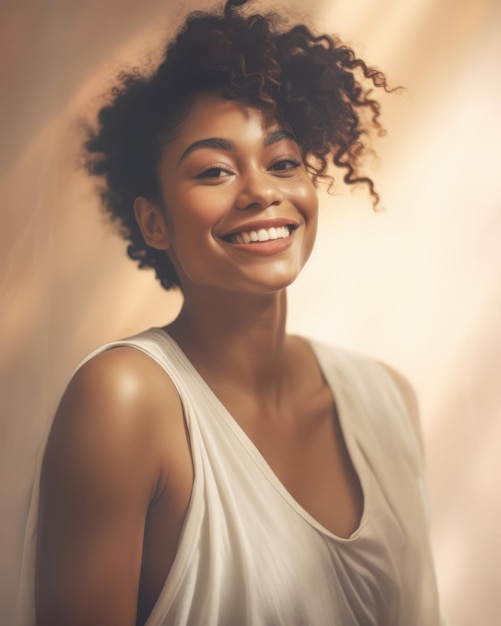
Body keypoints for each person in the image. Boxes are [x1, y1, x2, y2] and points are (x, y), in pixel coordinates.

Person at [15, 0, 443, 624]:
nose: (261, 190)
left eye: (283, 162)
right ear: (154, 221)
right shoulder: (126, 399)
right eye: (214, 170)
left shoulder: (387, 399)